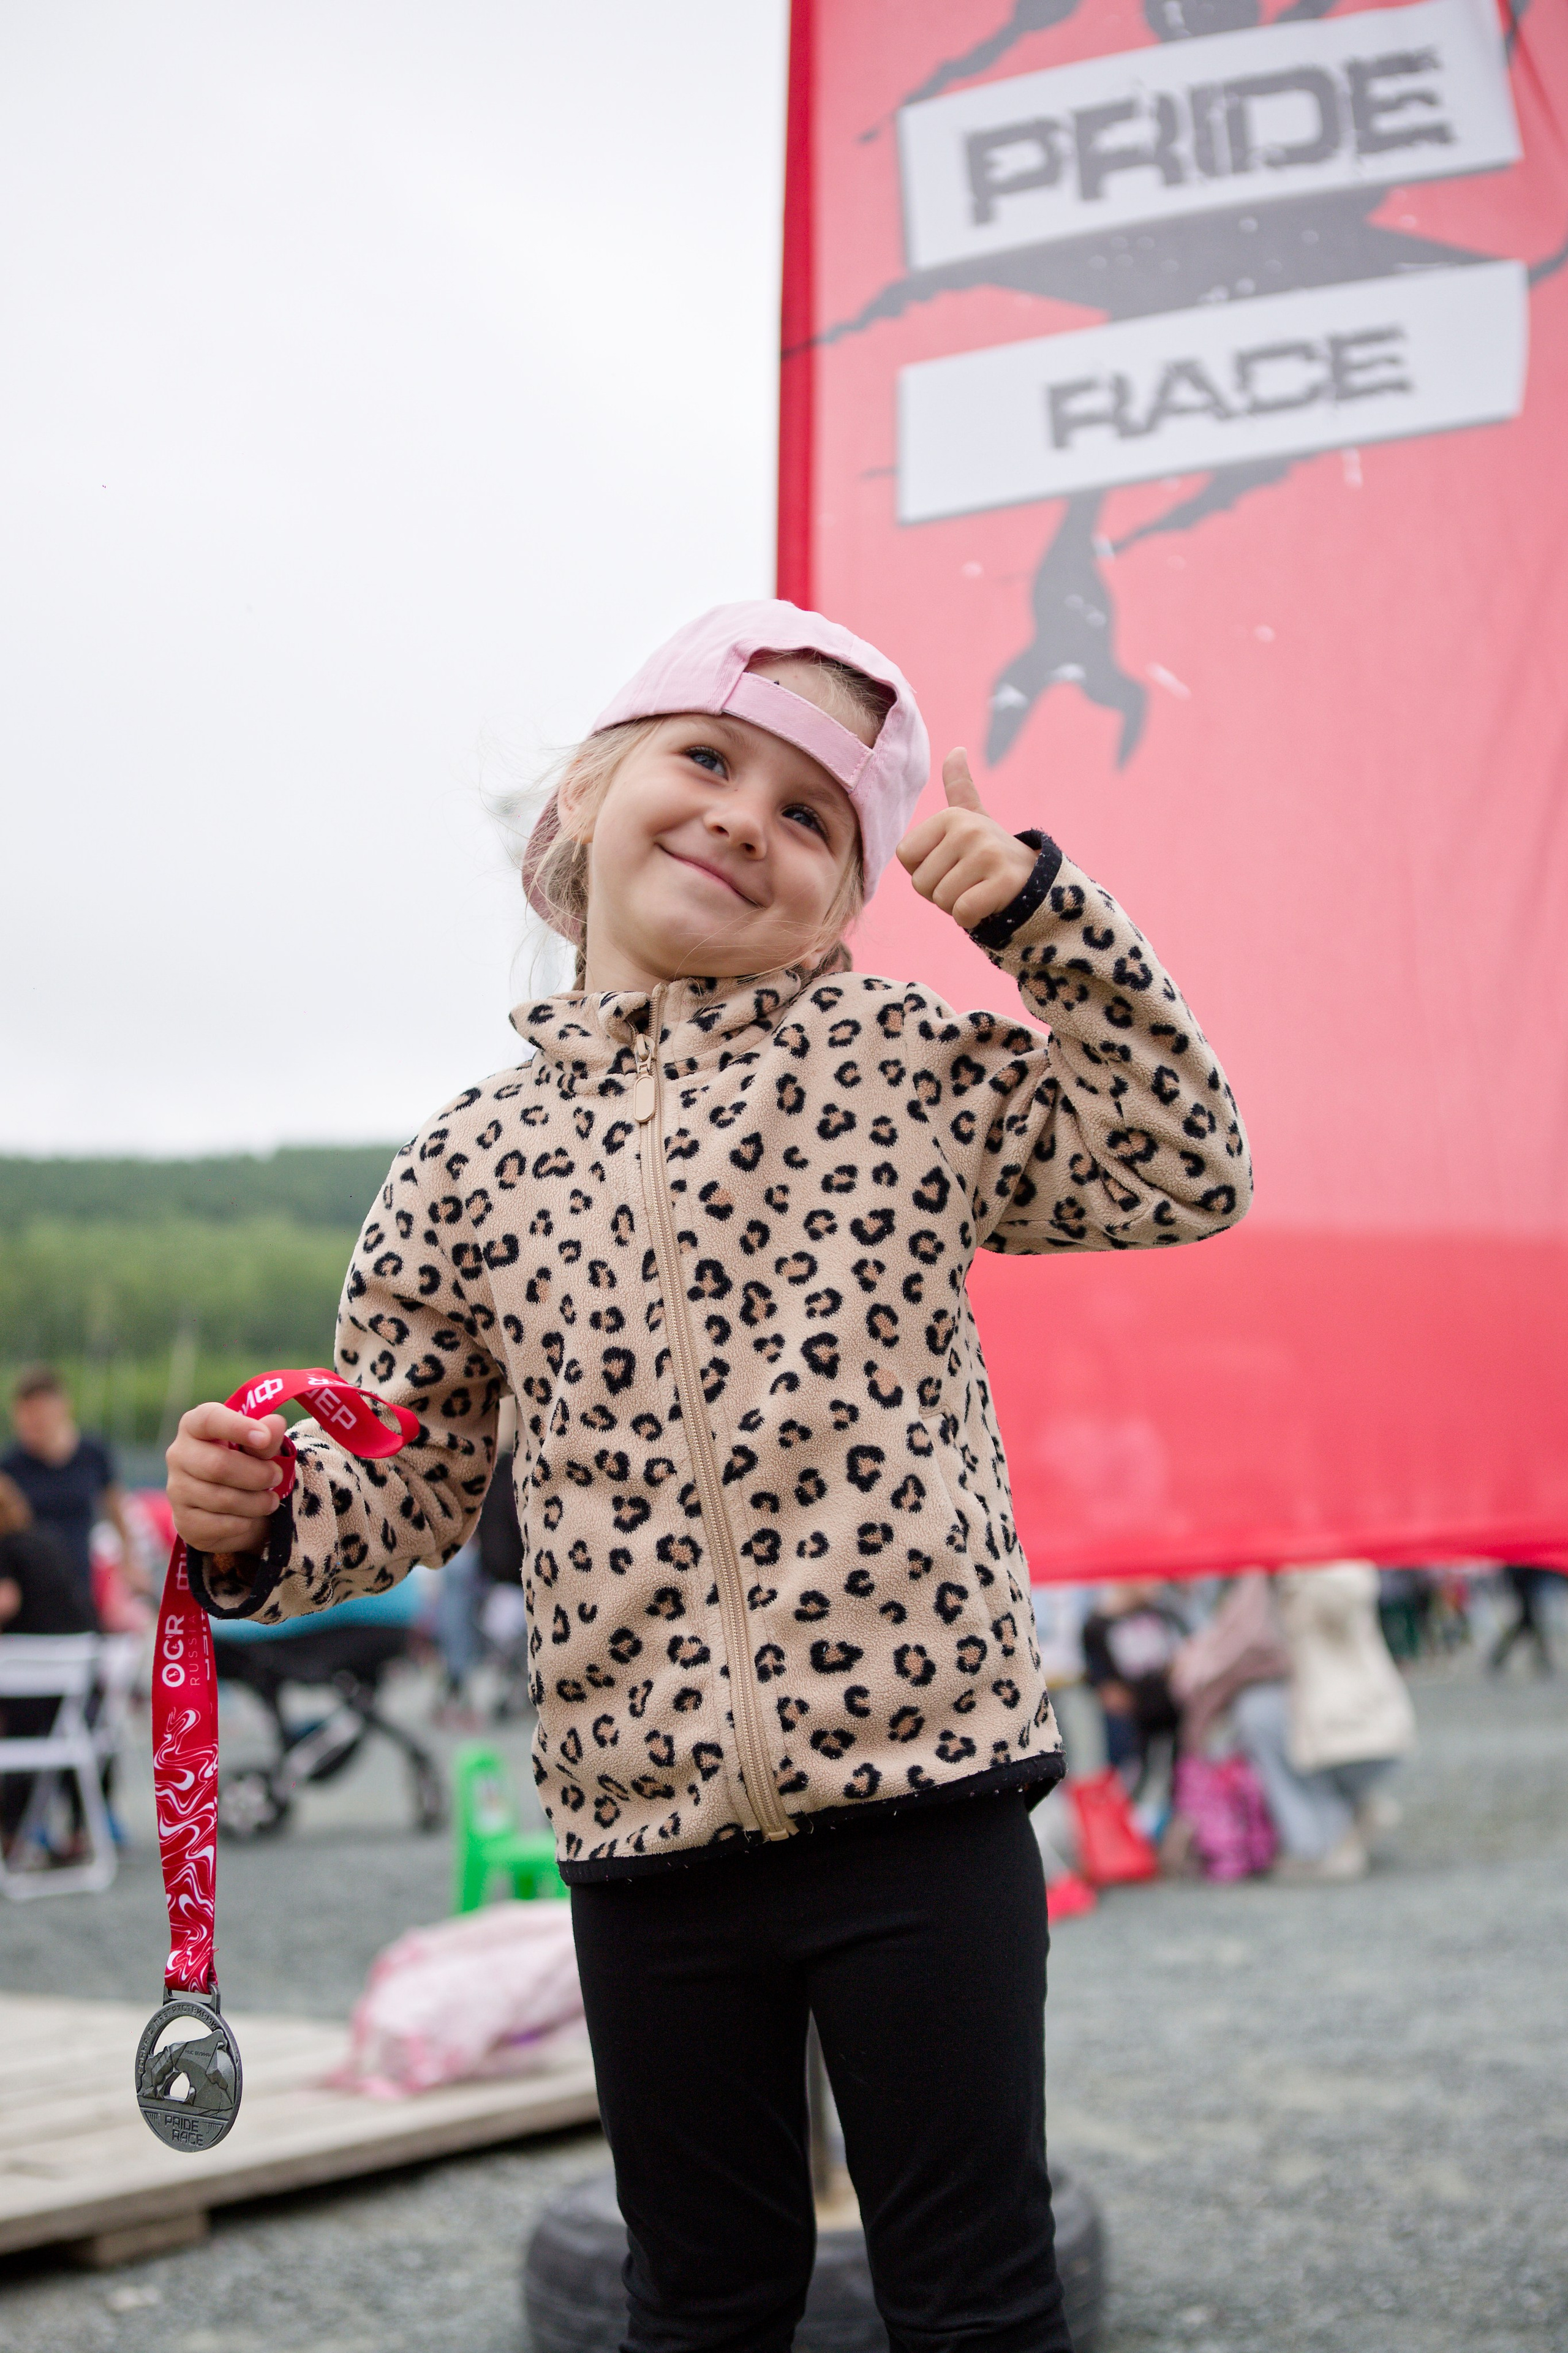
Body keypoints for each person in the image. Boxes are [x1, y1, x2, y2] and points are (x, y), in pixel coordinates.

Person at [165, 602, 1251, 2353]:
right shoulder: (464, 1166)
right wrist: (262, 1523)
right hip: (641, 1828)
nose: (749, 815)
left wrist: (1036, 919)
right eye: (708, 758)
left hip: (928, 1794)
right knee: (701, 2303)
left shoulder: (904, 1066)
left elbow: (1180, 1160)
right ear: (585, 804)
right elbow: (409, 1472)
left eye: (816, 814)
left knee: (977, 2297)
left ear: (845, 895)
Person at [1233, 1562, 1415, 1883]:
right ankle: (1353, 1814)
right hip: (1362, 1723)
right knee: (1265, 1718)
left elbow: (1345, 1599)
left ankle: (1322, 1843)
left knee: (1259, 1716)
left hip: (1348, 1726)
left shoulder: (1332, 1573)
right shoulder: (1285, 1578)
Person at [0, 1471, 100, 1848]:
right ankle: (79, 1831)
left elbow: (6, 1601)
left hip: (35, 1675)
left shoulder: (5, 1548)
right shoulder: (49, 1540)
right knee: (68, 1731)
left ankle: (12, 1833)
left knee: (18, 1729)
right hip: (77, 1672)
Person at [1, 1367, 138, 1617]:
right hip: (28, 1588)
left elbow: (117, 1510)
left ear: (61, 1409)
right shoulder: (9, 1467)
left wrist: (130, 1562)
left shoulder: (93, 1454)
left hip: (80, 1581)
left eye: (38, 1416)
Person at [1079, 1581, 1186, 1796]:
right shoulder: (1096, 1626)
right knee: (1134, 1784)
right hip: (1132, 1726)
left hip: (1171, 1715)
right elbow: (1106, 1690)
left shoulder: (1162, 1614)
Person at [1488, 1562, 1557, 1676]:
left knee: (1529, 1626)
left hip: (1527, 1594)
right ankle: (1542, 1662)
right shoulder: (1522, 1563)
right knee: (1530, 1626)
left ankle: (1542, 1662)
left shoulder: (1525, 1562)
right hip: (1525, 1594)